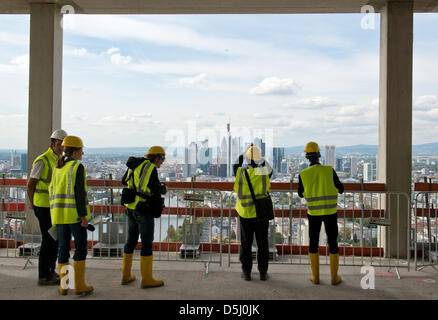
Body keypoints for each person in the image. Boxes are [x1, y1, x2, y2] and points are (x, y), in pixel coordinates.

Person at [49, 135, 93, 296]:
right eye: (81, 150)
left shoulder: (58, 167)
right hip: (74, 215)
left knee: (63, 250)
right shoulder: (77, 167)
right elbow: (79, 194)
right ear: (74, 151)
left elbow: (52, 191)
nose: (82, 153)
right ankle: (80, 286)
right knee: (81, 249)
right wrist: (83, 216)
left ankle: (64, 285)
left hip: (59, 216)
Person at [120, 146, 167, 288]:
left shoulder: (134, 164)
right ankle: (146, 279)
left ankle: (126, 276)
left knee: (131, 241)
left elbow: (124, 181)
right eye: (162, 159)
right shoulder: (150, 168)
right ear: (157, 158)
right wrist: (161, 188)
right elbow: (153, 190)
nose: (162, 163)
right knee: (147, 243)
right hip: (143, 210)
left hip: (130, 208)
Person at [298, 141, 344, 285]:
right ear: (319, 155)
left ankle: (315, 277)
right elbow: (340, 188)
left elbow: (300, 194)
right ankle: (334, 278)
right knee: (333, 242)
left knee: (313, 242)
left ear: (307, 157)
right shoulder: (329, 170)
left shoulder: (303, 174)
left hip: (313, 214)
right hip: (330, 212)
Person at [27, 129, 68, 286]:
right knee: (48, 240)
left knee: (54, 240)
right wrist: (32, 203)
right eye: (59, 145)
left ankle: (50, 271)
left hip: (53, 207)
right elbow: (31, 184)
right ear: (52, 143)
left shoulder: (58, 159)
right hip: (43, 207)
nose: (62, 148)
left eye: (63, 145)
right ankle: (44, 275)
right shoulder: (42, 160)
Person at [233, 145, 273, 281]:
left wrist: (244, 153)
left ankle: (246, 272)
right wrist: (259, 157)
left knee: (246, 243)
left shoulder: (240, 172)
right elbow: (269, 167)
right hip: (261, 214)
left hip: (245, 214)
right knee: (262, 243)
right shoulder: (264, 172)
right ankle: (262, 272)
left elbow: (236, 163)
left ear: (247, 159)